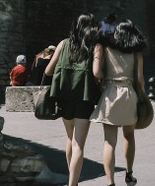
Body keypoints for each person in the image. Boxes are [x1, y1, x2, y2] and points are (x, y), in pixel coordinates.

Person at [44, 14, 101, 186]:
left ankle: (72, 178)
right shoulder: (95, 46)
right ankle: (73, 184)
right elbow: (97, 73)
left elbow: (48, 71)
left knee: (70, 139)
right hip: (84, 98)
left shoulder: (63, 44)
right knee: (79, 144)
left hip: (64, 98)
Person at [91, 19, 147, 186]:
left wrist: (105, 79)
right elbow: (140, 80)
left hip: (110, 92)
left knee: (109, 141)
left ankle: (110, 182)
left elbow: (96, 72)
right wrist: (142, 97)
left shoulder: (105, 47)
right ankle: (129, 175)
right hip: (129, 93)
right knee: (129, 136)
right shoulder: (136, 52)